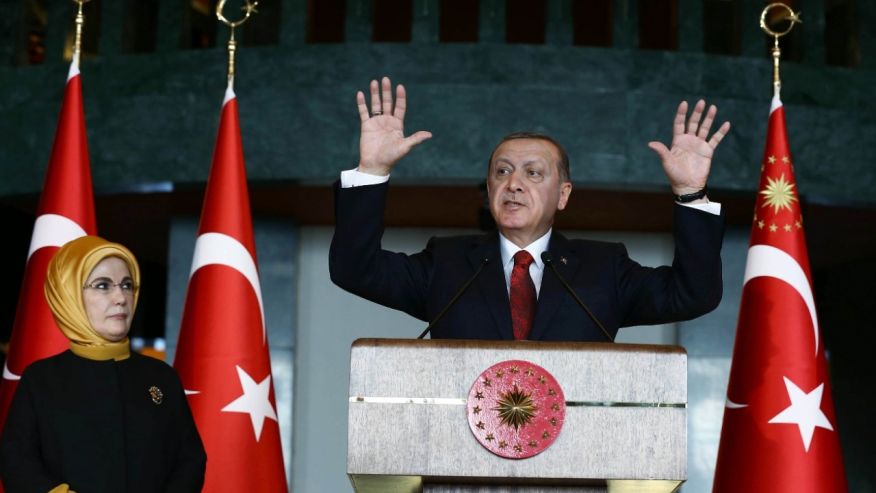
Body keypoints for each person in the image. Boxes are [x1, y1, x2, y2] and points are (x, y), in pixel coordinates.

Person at [330, 77, 730, 341]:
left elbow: (692, 295)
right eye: (501, 172)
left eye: (533, 173)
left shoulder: (604, 268)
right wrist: (372, 170)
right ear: (488, 191)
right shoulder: (447, 264)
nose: (513, 183)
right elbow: (355, 269)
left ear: (563, 195)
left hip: (572, 463)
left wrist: (691, 193)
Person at [0, 236, 206, 493]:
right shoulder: (41, 379)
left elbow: (190, 460)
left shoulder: (161, 377)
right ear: (70, 294)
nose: (121, 297)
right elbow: (17, 460)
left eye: (127, 284)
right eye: (102, 286)